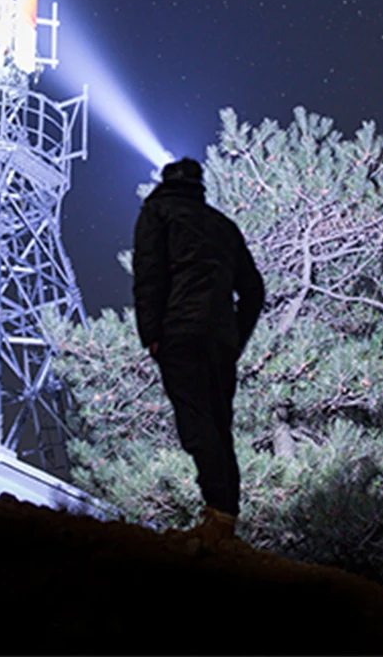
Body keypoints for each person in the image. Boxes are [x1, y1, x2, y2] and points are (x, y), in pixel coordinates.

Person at [133, 156, 264, 548]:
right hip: (220, 340)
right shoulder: (224, 226)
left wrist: (152, 334)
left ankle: (217, 517)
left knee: (197, 426)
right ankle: (224, 518)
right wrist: (236, 339)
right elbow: (254, 291)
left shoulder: (157, 213)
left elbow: (149, 275)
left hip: (180, 335)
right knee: (219, 426)